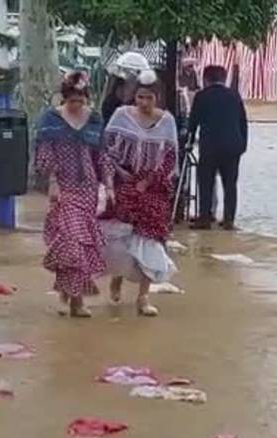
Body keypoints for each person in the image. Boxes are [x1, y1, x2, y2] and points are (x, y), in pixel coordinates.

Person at [35, 72, 115, 318]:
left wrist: (109, 185)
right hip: (64, 187)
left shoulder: (95, 119)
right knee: (71, 241)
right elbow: (45, 153)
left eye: (80, 100)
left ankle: (72, 296)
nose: (76, 105)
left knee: (81, 244)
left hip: (88, 189)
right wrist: (52, 183)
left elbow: (102, 156)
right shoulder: (51, 120)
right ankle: (76, 299)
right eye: (72, 100)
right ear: (64, 97)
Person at [100, 69, 178, 317]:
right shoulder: (121, 116)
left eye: (149, 98)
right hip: (125, 184)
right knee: (123, 239)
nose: (144, 103)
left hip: (154, 189)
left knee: (152, 241)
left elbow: (170, 157)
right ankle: (118, 277)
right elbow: (108, 150)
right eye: (140, 97)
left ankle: (143, 297)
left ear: (157, 98)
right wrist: (116, 179)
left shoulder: (167, 121)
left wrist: (151, 180)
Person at [188, 65, 248, 231]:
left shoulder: (201, 96)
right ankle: (229, 220)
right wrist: (243, 145)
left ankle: (205, 217)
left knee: (205, 182)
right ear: (224, 78)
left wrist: (189, 141)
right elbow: (243, 122)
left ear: (205, 79)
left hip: (210, 147)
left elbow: (193, 122)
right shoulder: (234, 96)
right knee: (230, 184)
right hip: (232, 147)